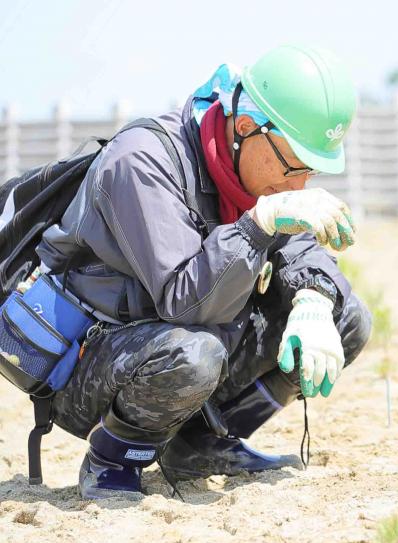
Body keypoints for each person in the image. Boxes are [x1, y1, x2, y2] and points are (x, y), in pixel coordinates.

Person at [35, 44, 372, 499]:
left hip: (194, 340)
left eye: (310, 172)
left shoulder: (253, 172)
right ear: (248, 128)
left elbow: (302, 253)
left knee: (344, 316)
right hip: (96, 364)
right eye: (294, 166)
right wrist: (257, 226)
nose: (299, 185)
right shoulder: (141, 161)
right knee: (195, 353)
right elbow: (183, 298)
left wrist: (312, 298)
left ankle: (203, 444)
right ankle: (114, 455)